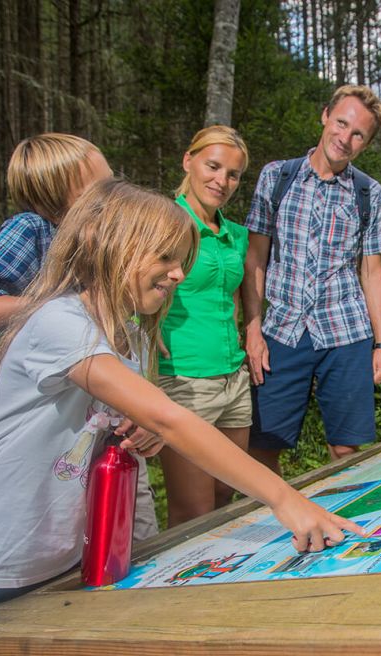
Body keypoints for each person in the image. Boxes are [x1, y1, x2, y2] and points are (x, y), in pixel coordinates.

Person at [0, 179, 363, 656]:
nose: (177, 274)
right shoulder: (59, 320)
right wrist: (284, 499)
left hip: (49, 573)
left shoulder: (129, 338)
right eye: (167, 258)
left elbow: (116, 425)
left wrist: (137, 432)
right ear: (118, 247)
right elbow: (170, 415)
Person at [0, 133, 158, 542]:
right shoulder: (32, 230)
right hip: (54, 408)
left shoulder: (103, 239)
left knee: (133, 526)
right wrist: (57, 299)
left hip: (107, 412)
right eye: (100, 185)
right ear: (57, 191)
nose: (112, 193)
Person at [242, 84, 381, 475]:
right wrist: (253, 327)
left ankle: (344, 528)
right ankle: (278, 524)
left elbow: (372, 271)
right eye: (341, 123)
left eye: (358, 133)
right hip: (281, 330)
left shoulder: (368, 193)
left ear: (366, 143)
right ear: (325, 115)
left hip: (345, 331)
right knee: (262, 446)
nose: (345, 138)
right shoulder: (277, 176)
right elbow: (255, 256)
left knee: (347, 449)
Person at [158, 125, 251, 527]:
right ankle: (173, 589)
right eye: (213, 166)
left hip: (234, 378)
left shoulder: (235, 234)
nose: (222, 181)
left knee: (224, 498)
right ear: (188, 160)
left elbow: (231, 297)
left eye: (233, 174)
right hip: (184, 379)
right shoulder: (162, 223)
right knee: (192, 510)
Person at [0, 132, 113, 335]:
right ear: (51, 202)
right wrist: (68, 305)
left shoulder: (104, 238)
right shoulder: (33, 230)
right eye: (99, 192)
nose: (115, 197)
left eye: (112, 182)